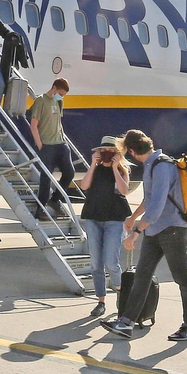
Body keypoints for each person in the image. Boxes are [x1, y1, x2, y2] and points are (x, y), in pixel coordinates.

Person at [100, 129, 187, 342]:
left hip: (172, 229)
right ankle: (126, 323)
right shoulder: (151, 165)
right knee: (142, 277)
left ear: (134, 151)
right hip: (155, 230)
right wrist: (134, 216)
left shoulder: (162, 166)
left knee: (182, 278)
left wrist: (135, 233)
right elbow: (150, 198)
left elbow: (156, 206)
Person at [78, 135, 131, 316]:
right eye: (103, 150)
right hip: (93, 218)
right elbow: (84, 186)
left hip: (114, 220)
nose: (106, 153)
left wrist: (115, 167)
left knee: (111, 262)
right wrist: (93, 165)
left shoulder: (122, 170)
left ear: (116, 153)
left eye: (110, 151)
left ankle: (121, 293)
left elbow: (124, 191)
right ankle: (100, 301)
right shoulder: (96, 169)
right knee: (95, 263)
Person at [28, 78, 77, 217]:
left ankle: (55, 200)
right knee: (46, 177)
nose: (61, 97)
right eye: (60, 93)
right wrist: (40, 145)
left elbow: (57, 121)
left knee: (69, 173)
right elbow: (34, 124)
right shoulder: (41, 101)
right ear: (54, 88)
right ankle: (40, 207)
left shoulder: (59, 101)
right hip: (47, 145)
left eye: (63, 95)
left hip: (61, 143)